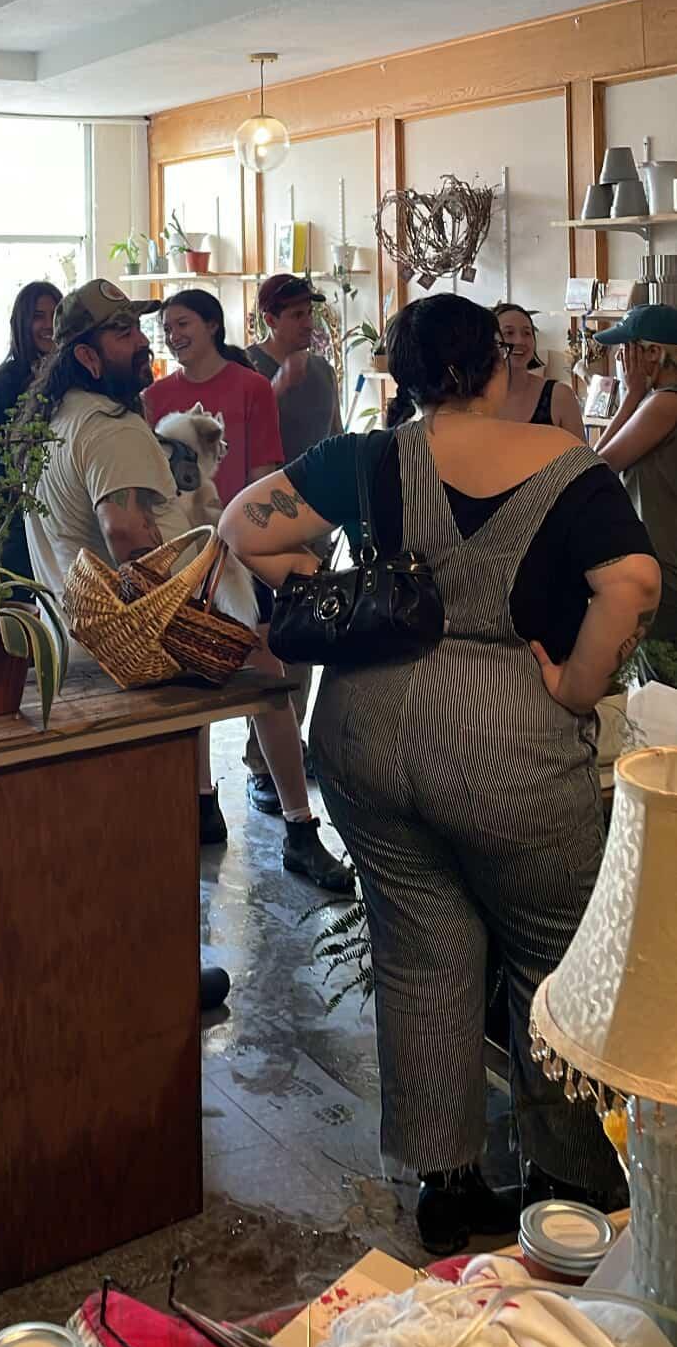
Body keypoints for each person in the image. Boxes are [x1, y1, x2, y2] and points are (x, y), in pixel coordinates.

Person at [219, 293, 659, 1252]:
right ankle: (570, 1193)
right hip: (505, 737)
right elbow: (632, 581)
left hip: (367, 732)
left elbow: (244, 526)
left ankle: (447, 1189)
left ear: (405, 376)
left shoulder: (371, 460)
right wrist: (578, 685)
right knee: (555, 956)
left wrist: (336, 588)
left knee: (421, 951)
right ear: (499, 370)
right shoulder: (567, 469)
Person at [22, 276, 230, 1012]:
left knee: (97, 834)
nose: (142, 343)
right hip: (128, 662)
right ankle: (158, 974)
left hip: (67, 654)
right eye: (122, 335)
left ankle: (102, 970)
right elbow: (130, 535)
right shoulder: (113, 427)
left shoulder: (56, 421)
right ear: (85, 355)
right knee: (144, 833)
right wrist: (184, 628)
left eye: (139, 330)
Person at [143, 289, 351, 891]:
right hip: (183, 555)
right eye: (166, 328)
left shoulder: (249, 387)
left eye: (181, 323)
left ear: (211, 325)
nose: (172, 335)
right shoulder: (155, 397)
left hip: (241, 548)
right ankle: (202, 797)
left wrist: (267, 540)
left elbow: (265, 471)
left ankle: (299, 825)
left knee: (268, 678)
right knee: (192, 674)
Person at [243, 273, 342, 816]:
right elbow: (240, 443)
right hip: (260, 531)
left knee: (302, 641)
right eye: (297, 314)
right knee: (268, 643)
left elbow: (332, 438)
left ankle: (287, 744)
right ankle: (261, 763)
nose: (307, 323)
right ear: (270, 319)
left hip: (315, 528)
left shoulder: (324, 370)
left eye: (311, 313)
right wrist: (278, 386)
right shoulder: (247, 370)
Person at [591, 304, 677, 680]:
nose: (620, 362)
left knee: (662, 690)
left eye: (627, 351)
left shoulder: (665, 402)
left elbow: (596, 466)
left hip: (668, 571)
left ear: (654, 354)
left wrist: (630, 395)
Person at [0, 282, 61, 580]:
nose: (48, 325)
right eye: (38, 316)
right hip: (14, 533)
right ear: (21, 323)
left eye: (55, 314)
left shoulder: (72, 382)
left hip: (64, 523)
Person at [495, 303, 584, 435]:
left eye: (526, 333)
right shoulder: (472, 400)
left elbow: (582, 455)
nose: (519, 340)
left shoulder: (560, 396)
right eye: (508, 333)